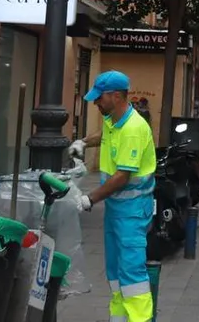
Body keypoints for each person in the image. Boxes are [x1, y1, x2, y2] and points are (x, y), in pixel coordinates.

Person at [68, 71, 156, 322]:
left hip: (132, 211)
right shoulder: (114, 120)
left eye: (99, 98)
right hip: (118, 209)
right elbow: (104, 133)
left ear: (116, 96)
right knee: (116, 274)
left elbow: (122, 177)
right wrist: (84, 142)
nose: (95, 103)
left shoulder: (133, 129)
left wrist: (89, 199)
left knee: (132, 276)